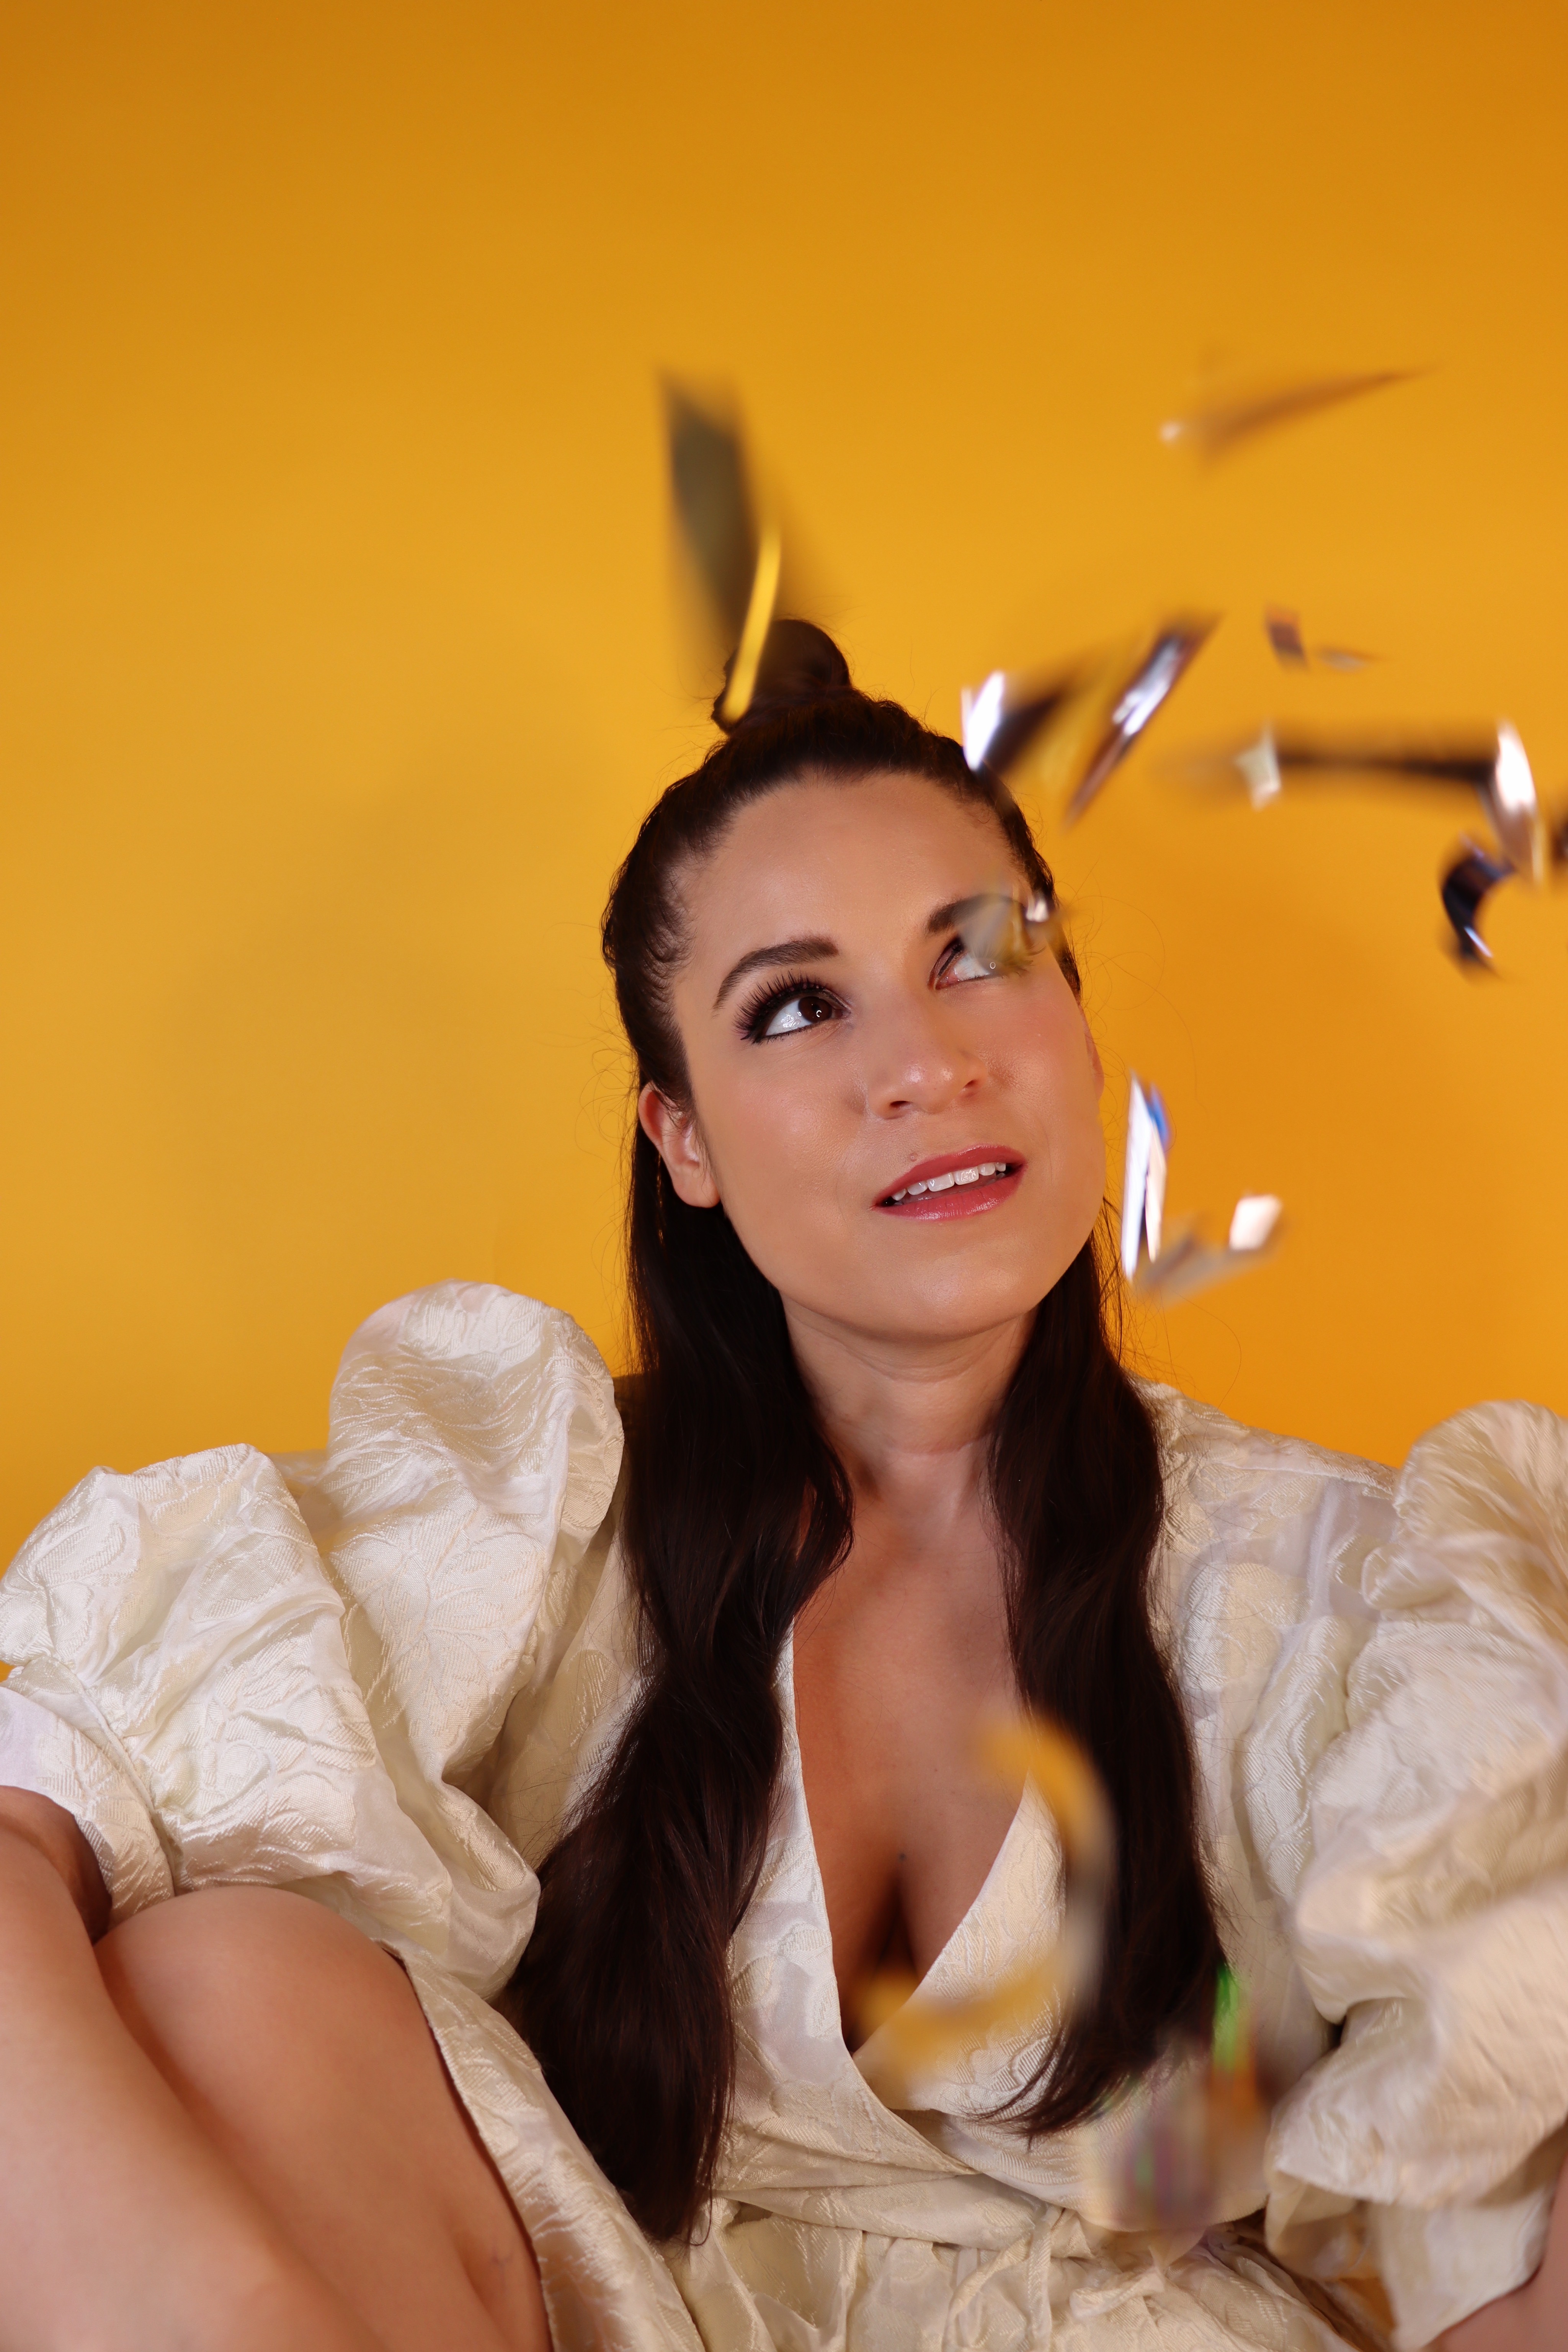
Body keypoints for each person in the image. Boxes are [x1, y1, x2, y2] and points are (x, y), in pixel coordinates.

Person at [0, 623, 1565, 2352]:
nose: (928, 1065)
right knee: (215, 1978)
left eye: (980, 957)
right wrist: (230, 2301)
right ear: (682, 1139)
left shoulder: (1354, 1596)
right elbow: (39, 1804)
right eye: (801, 1007)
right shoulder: (527, 1534)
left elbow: (1504, 2248)